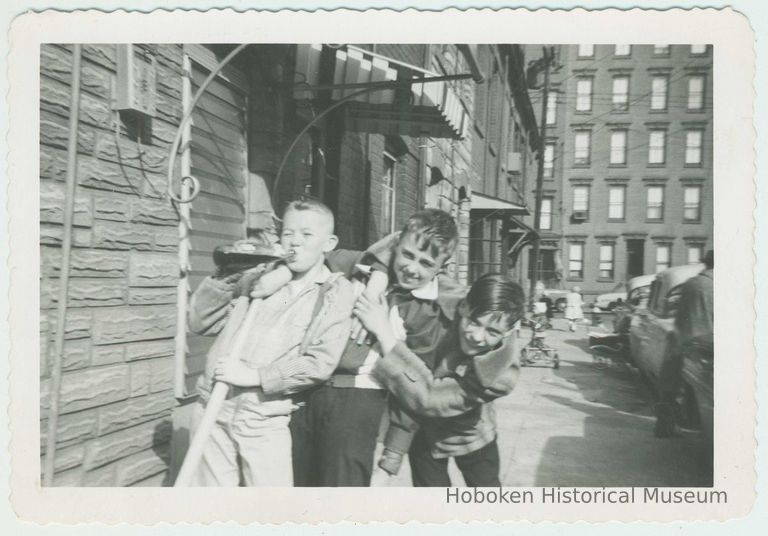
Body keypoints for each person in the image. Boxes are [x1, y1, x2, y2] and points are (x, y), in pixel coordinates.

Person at [185, 198, 356, 486]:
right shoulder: (260, 274)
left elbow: (320, 363)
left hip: (263, 416)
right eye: (288, 233)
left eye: (306, 235)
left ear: (329, 242)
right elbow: (200, 322)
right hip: (212, 404)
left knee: (270, 512)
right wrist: (228, 273)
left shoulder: (333, 292)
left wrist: (254, 376)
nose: (295, 242)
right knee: (210, 511)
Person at [290, 208, 464, 487]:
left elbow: (412, 391)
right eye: (407, 254)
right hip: (303, 387)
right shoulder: (359, 268)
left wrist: (391, 460)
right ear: (396, 246)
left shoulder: (429, 315)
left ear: (441, 268)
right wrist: (377, 278)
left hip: (357, 399)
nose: (412, 268)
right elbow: (316, 255)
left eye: (426, 263)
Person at [354, 273, 525, 486]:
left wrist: (383, 330)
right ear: (464, 306)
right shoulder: (446, 294)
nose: (477, 336)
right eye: (474, 322)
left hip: (472, 436)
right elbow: (406, 252)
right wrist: (374, 288)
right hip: (425, 434)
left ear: (508, 331)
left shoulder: (500, 374)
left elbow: (429, 398)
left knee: (488, 500)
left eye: (492, 331)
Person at [655, 250, 714, 438]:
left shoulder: (691, 283)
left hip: (683, 341)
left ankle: (665, 427)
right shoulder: (722, 285)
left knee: (670, 388)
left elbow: (680, 316)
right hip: (706, 347)